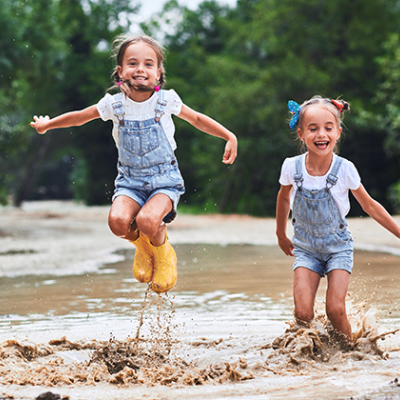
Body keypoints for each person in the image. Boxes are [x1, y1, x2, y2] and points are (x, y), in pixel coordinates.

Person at [30, 35, 237, 294]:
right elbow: (79, 117)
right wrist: (48, 124)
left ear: (158, 73)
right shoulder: (114, 104)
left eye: (148, 64)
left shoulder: (166, 101)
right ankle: (142, 248)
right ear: (120, 71)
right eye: (132, 63)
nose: (140, 69)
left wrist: (229, 135)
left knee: (148, 220)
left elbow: (196, 119)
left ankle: (164, 255)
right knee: (117, 222)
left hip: (164, 179)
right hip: (129, 181)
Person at [276, 95, 400, 342]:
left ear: (338, 133)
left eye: (327, 128)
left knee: (334, 309)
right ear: (301, 134)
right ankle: (309, 355)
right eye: (313, 129)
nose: (321, 134)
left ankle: (349, 350)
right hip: (305, 249)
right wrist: (280, 234)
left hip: (338, 249)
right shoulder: (291, 167)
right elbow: (283, 199)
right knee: (302, 313)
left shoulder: (345, 169)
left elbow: (370, 206)